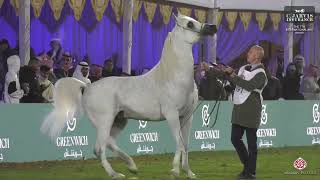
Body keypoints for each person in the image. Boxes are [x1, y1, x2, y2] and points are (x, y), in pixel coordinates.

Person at [203, 45, 267, 180]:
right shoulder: (243, 68)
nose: (248, 54)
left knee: (251, 144)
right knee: (235, 138)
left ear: (257, 56)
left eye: (250, 52)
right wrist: (210, 69)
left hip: (251, 111)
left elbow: (248, 86)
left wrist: (233, 75)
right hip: (239, 109)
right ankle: (248, 167)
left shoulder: (261, 74)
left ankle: (250, 172)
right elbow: (227, 76)